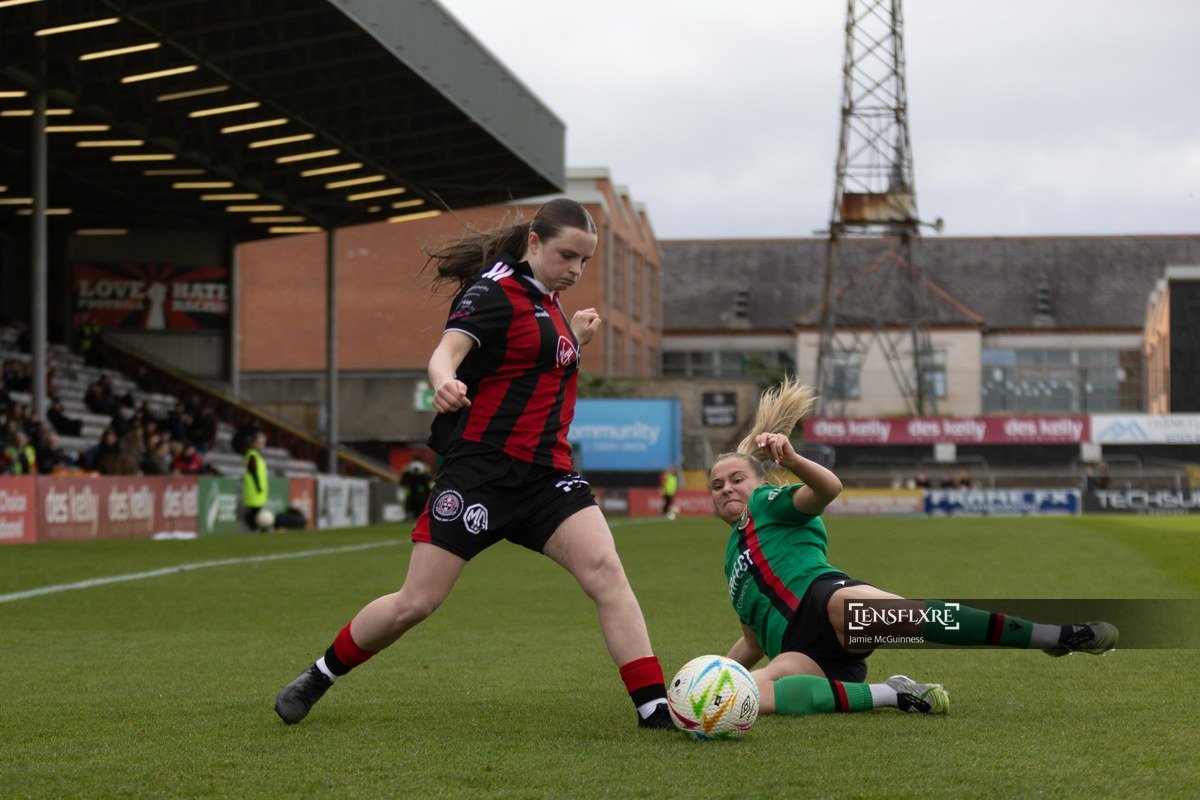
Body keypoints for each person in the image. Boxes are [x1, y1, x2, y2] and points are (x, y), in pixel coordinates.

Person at [275, 198, 674, 730]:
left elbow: (530, 367)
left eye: (584, 261)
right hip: (481, 474)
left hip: (547, 476)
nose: (575, 270)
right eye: (566, 256)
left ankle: (654, 709)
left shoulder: (549, 299)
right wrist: (444, 382)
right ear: (534, 243)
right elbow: (446, 352)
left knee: (606, 572)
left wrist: (574, 340)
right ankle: (320, 674)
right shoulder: (490, 291)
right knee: (415, 603)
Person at [708, 377, 1119, 718]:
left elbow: (829, 488)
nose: (726, 487)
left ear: (760, 482)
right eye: (716, 485)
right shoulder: (731, 564)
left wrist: (794, 461)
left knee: (919, 620)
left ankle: (1053, 635)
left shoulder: (770, 504)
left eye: (736, 479)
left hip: (823, 603)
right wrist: (711, 679)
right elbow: (752, 642)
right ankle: (891, 693)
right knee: (749, 696)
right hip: (800, 653)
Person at [243, 431, 270, 531]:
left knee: (257, 511)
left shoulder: (258, 456)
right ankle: (253, 528)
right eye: (259, 443)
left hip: (259, 491)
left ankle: (258, 528)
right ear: (253, 443)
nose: (261, 445)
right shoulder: (252, 455)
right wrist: (258, 486)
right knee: (254, 512)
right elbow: (253, 471)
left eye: (263, 443)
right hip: (253, 489)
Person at [399, 456, 433, 521]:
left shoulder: (424, 468)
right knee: (410, 503)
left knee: (420, 503)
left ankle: (418, 515)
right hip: (412, 491)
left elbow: (428, 481)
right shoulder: (408, 469)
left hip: (421, 491)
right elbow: (403, 481)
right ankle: (410, 515)